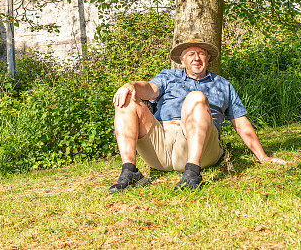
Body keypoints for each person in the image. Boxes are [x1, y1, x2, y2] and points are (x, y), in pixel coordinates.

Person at [109, 36, 286, 193]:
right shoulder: (168, 76)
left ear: (208, 58)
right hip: (162, 145)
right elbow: (150, 89)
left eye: (201, 53)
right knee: (126, 99)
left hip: (203, 148)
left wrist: (263, 157)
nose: (196, 58)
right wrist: (130, 85)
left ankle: (192, 173)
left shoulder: (223, 85)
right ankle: (130, 172)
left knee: (196, 98)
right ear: (182, 59)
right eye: (191, 54)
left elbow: (240, 122)